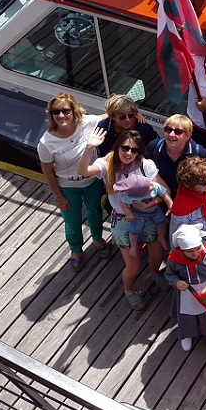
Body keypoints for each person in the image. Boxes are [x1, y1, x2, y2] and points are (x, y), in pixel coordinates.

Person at [78, 129, 168, 311]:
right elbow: (83, 171)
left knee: (157, 254)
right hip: (122, 218)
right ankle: (128, 289)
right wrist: (89, 148)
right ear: (117, 146)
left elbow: (165, 191)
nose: (129, 153)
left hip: (148, 214)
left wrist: (151, 203)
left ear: (140, 153)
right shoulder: (107, 164)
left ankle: (155, 272)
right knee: (133, 266)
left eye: (134, 150)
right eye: (125, 148)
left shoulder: (146, 165)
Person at [38, 93, 111, 272]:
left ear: (74, 111)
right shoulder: (46, 143)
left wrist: (134, 112)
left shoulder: (87, 122)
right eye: (56, 112)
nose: (61, 115)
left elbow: (110, 114)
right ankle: (76, 251)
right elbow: (47, 171)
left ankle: (97, 238)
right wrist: (58, 196)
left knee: (94, 211)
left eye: (65, 111)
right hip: (67, 187)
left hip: (92, 181)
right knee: (72, 221)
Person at [164, 224, 206, 352]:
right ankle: (187, 334)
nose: (195, 253)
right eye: (189, 251)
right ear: (181, 249)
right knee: (187, 316)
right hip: (187, 293)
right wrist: (176, 282)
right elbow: (169, 274)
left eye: (197, 248)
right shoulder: (174, 259)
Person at [146, 114, 206, 197]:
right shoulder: (154, 147)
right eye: (168, 130)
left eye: (178, 131)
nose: (171, 134)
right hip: (159, 199)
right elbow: (144, 170)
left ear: (188, 136)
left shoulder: (200, 153)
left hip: (187, 203)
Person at [113, 174, 172, 263]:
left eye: (150, 183)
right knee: (134, 231)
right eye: (148, 187)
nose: (152, 185)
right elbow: (122, 202)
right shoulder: (132, 197)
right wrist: (128, 213)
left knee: (162, 222)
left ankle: (161, 237)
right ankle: (133, 246)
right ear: (139, 193)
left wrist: (170, 205)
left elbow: (165, 194)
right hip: (138, 215)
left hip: (155, 211)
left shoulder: (154, 186)